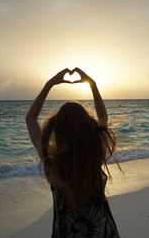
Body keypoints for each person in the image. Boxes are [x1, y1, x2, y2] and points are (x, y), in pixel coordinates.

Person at [26, 67, 121, 238]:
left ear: (57, 128)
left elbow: (31, 120)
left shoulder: (51, 162)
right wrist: (93, 85)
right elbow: (103, 118)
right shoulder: (93, 156)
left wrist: (50, 84)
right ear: (87, 128)